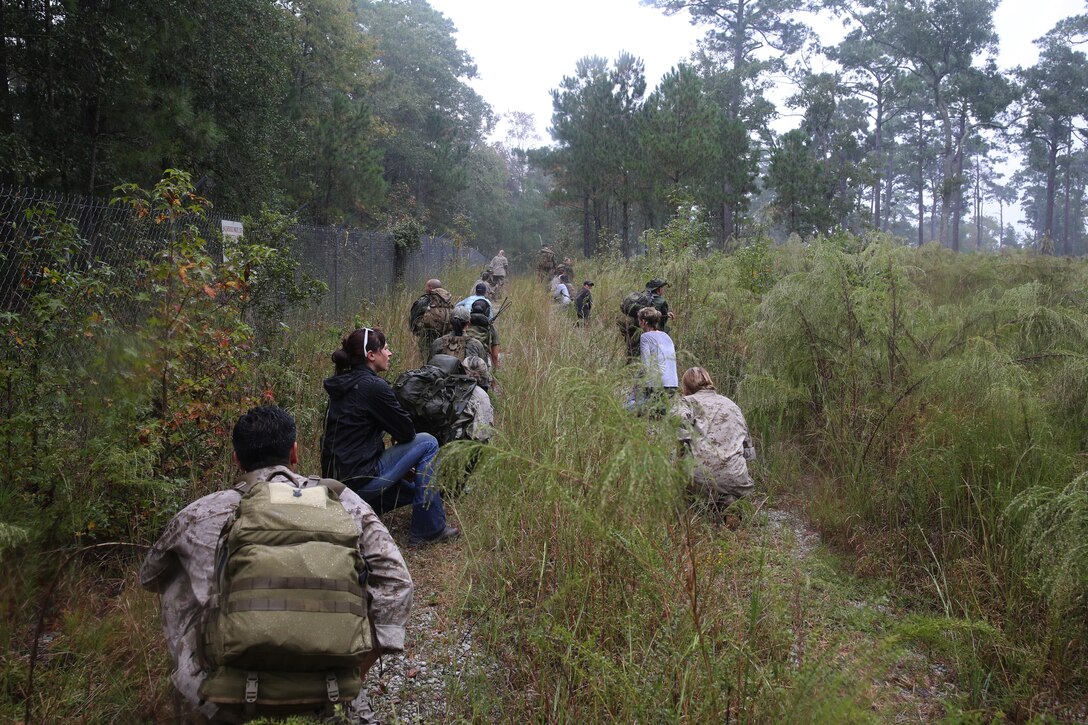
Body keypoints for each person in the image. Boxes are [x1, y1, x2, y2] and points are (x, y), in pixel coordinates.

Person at [140, 405, 414, 724]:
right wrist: (364, 661)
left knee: (177, 575)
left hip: (222, 685)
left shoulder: (198, 514)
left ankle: (199, 685)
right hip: (332, 677)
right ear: (294, 452)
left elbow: (150, 577)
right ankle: (349, 704)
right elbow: (397, 580)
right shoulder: (342, 502)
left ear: (237, 459)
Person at [321, 327, 459, 545]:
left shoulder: (341, 384)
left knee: (418, 492)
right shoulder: (374, 386)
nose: (390, 353)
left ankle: (358, 513)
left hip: (337, 484)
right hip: (361, 479)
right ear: (371, 355)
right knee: (428, 442)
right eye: (385, 348)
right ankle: (429, 530)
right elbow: (407, 432)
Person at [673, 367, 756, 509]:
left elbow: (680, 439)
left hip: (700, 478)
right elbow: (748, 453)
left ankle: (697, 504)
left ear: (686, 388)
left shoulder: (685, 403)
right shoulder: (732, 405)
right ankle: (729, 501)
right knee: (730, 486)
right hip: (737, 480)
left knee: (672, 460)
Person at [635, 306, 678, 414]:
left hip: (656, 385)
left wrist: (637, 383)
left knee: (635, 408)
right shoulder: (666, 336)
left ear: (644, 322)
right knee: (660, 414)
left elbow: (646, 364)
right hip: (673, 384)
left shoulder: (645, 337)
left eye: (639, 320)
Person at [408, 278, 453, 363]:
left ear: (430, 287)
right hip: (445, 337)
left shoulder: (424, 301)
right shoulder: (447, 300)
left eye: (426, 286)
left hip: (428, 336)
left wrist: (418, 331)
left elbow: (413, 321)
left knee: (427, 360)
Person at [464, 298, 500, 370]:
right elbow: (495, 355)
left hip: (462, 359)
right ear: (487, 312)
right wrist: (496, 370)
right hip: (481, 363)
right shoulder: (490, 328)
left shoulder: (465, 324)